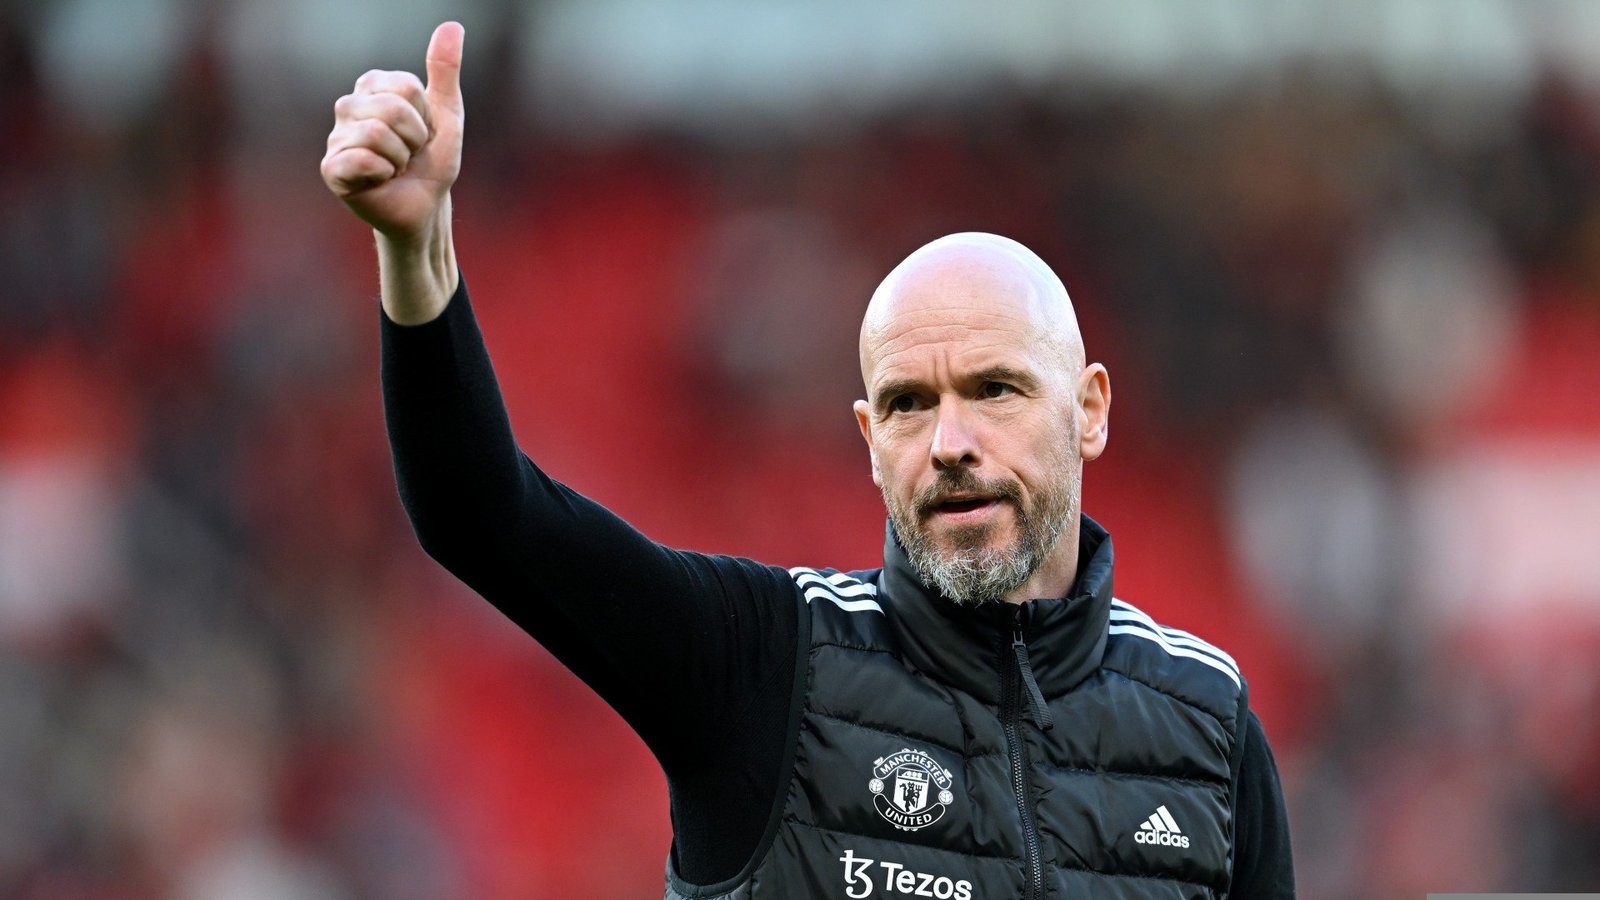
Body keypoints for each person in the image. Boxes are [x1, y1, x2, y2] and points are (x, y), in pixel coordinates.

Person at [321, 22, 1295, 899]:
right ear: (871, 444)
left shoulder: (1208, 728)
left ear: (1088, 412)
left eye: (995, 390)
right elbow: (480, 514)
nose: (950, 443)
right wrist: (418, 247)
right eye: (910, 405)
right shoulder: (767, 665)